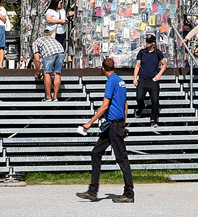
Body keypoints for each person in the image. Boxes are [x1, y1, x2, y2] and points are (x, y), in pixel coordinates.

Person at [76, 56, 134, 203]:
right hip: (114, 125)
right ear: (113, 67)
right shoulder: (121, 81)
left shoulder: (111, 81)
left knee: (122, 158)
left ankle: (129, 193)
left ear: (103, 69)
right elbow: (125, 105)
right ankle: (92, 191)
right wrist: (124, 125)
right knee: (96, 152)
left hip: (114, 125)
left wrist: (90, 122)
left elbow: (105, 105)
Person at [133, 32, 165, 127]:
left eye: (149, 42)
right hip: (142, 79)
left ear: (153, 43)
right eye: (146, 41)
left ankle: (153, 119)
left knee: (155, 101)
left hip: (153, 80)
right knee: (139, 98)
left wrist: (159, 75)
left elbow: (164, 64)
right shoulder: (142, 52)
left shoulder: (158, 53)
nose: (146, 43)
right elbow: (137, 65)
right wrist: (135, 78)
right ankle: (141, 107)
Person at [35, 28, 65, 101]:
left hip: (49, 53)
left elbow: (37, 59)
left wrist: (38, 72)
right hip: (61, 51)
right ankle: (55, 97)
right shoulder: (53, 40)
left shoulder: (36, 42)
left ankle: (48, 97)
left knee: (47, 73)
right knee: (57, 73)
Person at [0, 1, 9, 68]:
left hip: (0, 26)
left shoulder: (1, 9)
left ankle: (0, 64)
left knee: (0, 46)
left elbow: (4, 19)